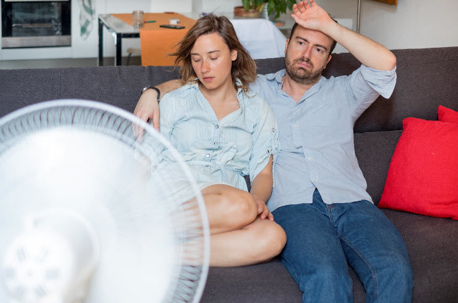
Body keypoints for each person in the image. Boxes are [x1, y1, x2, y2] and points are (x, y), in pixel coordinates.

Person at [135, 1, 413, 301]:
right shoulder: (256, 91)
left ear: (329, 58)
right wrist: (153, 91)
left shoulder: (345, 91)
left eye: (318, 49)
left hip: (352, 201)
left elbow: (385, 64)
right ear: (286, 44)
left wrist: (328, 26)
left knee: (394, 269)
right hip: (295, 208)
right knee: (326, 275)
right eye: (301, 42)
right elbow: (207, 76)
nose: (306, 54)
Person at [140, 14, 286, 268]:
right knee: (242, 205)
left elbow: (263, 173)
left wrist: (258, 201)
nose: (204, 68)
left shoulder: (257, 109)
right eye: (196, 59)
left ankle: (160, 250)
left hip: (226, 206)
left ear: (233, 53)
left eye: (213, 57)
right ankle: (143, 227)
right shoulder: (176, 101)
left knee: (273, 237)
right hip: (176, 193)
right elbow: (145, 158)